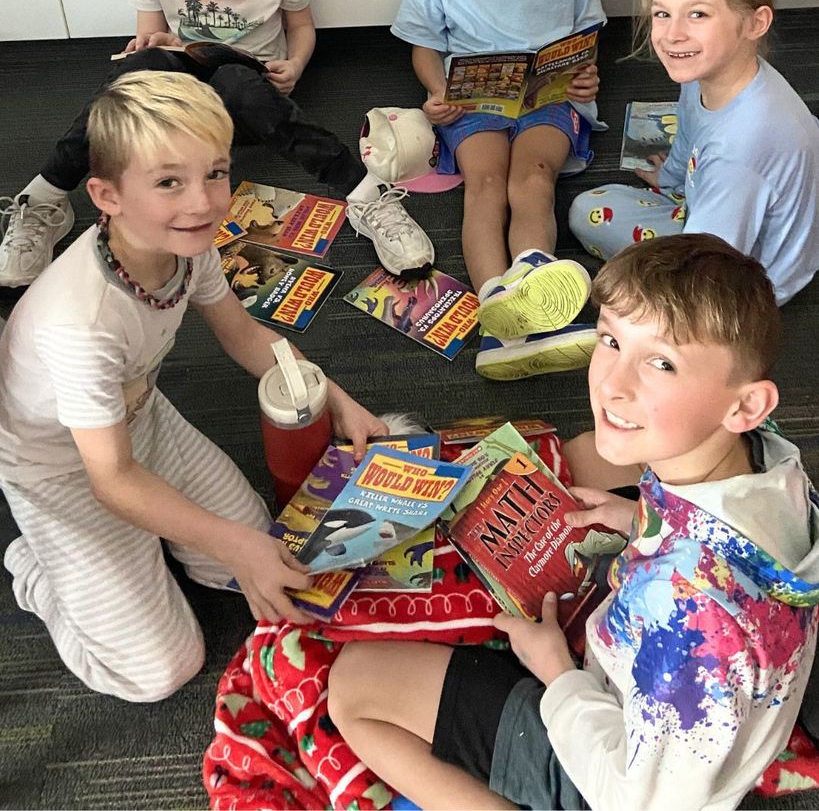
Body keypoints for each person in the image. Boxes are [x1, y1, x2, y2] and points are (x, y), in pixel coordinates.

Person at [327, 233, 819, 811]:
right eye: (611, 339)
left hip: (617, 771)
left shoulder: (686, 613)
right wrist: (642, 522)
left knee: (353, 686)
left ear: (746, 405)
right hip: (706, 713)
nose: (612, 383)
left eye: (662, 361)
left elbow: (637, 800)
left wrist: (556, 672)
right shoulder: (774, 459)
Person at [0, 71, 388, 702]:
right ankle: (38, 572)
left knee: (254, 557)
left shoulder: (184, 241)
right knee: (160, 670)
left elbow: (243, 334)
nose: (204, 202)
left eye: (215, 172)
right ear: (106, 195)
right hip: (61, 469)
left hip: (139, 419)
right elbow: (112, 480)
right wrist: (231, 543)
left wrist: (338, 398)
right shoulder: (83, 323)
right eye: (168, 182)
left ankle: (138, 551)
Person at [0, 0, 433, 288]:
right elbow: (149, 35)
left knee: (238, 83)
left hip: (254, 95)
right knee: (135, 73)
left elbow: (302, 26)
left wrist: (295, 63)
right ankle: (43, 201)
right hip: (185, 89)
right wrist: (160, 44)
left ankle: (366, 195)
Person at [390, 0, 605, 380]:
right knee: (485, 185)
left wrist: (585, 75)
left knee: (532, 178)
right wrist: (437, 92)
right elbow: (423, 46)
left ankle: (539, 291)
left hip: (546, 97)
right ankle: (497, 311)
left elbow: (586, 40)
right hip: (472, 101)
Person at [570, 0, 819, 305]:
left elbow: (707, 267)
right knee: (589, 207)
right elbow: (688, 133)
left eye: (698, 14)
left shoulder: (739, 153)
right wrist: (669, 177)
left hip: (747, 278)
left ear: (755, 23)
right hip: (729, 215)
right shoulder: (706, 72)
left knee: (592, 225)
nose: (672, 35)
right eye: (662, 14)